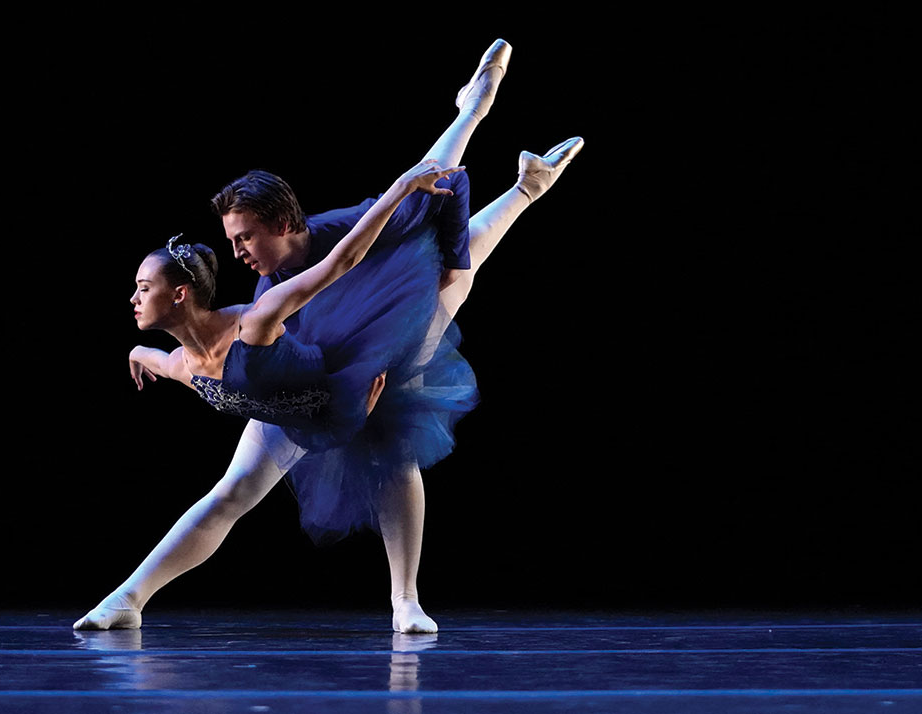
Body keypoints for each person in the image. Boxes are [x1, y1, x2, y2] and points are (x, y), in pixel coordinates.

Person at [76, 39, 583, 633]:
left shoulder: (284, 286)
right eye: (232, 240)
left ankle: (492, 139)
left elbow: (369, 237)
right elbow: (164, 357)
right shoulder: (249, 302)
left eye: (246, 237)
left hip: (364, 338)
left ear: (284, 224)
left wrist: (417, 196)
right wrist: (140, 353)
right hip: (304, 383)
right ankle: (129, 597)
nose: (239, 253)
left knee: (444, 280)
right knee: (233, 490)